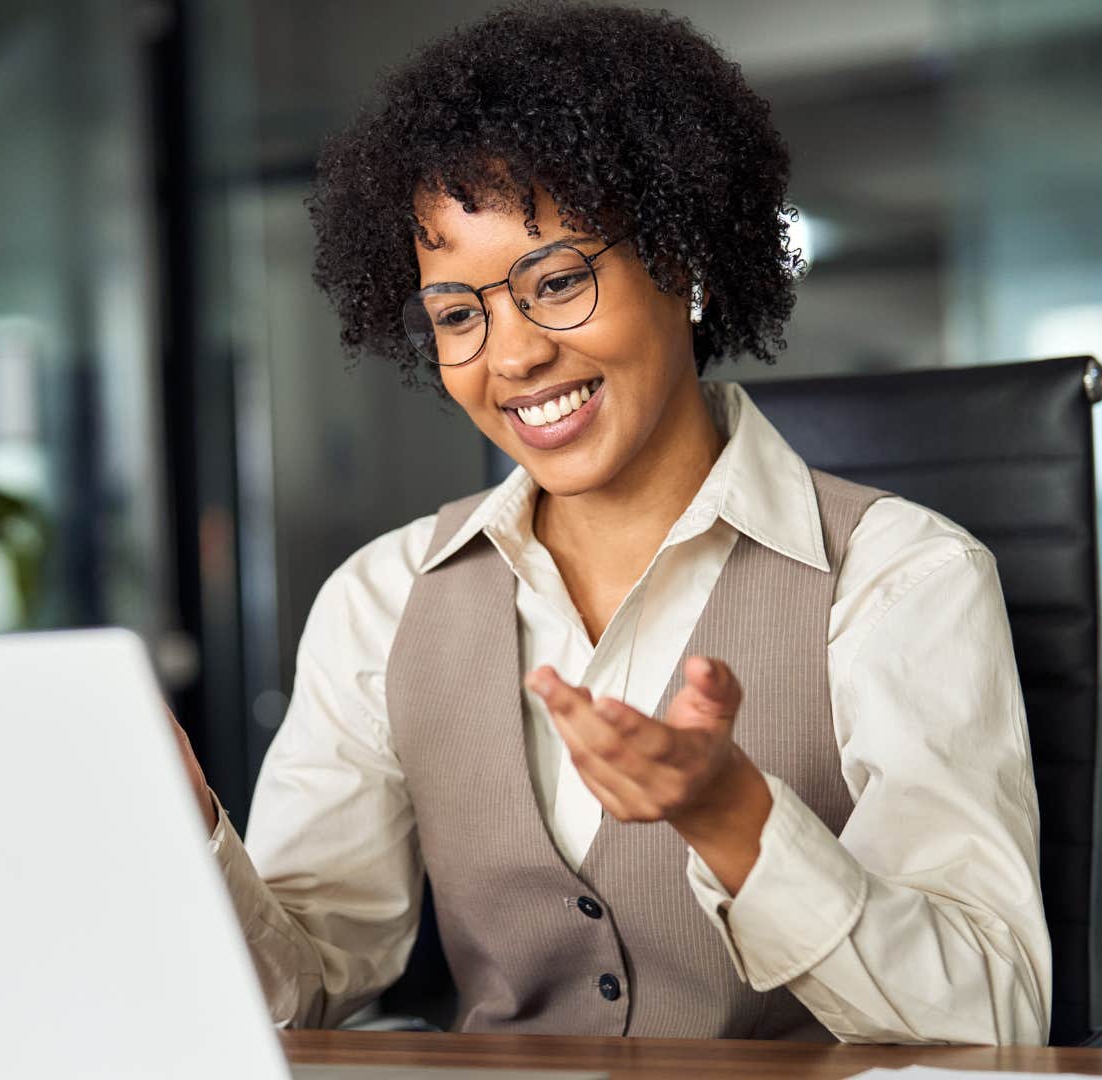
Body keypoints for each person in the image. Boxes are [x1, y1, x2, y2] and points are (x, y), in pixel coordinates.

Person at [170, 1, 1051, 1045]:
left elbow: (997, 1019)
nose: (512, 358)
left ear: (686, 263)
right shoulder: (383, 599)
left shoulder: (904, 578)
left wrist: (735, 821)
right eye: (459, 313)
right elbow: (302, 990)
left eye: (556, 282)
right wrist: (189, 836)